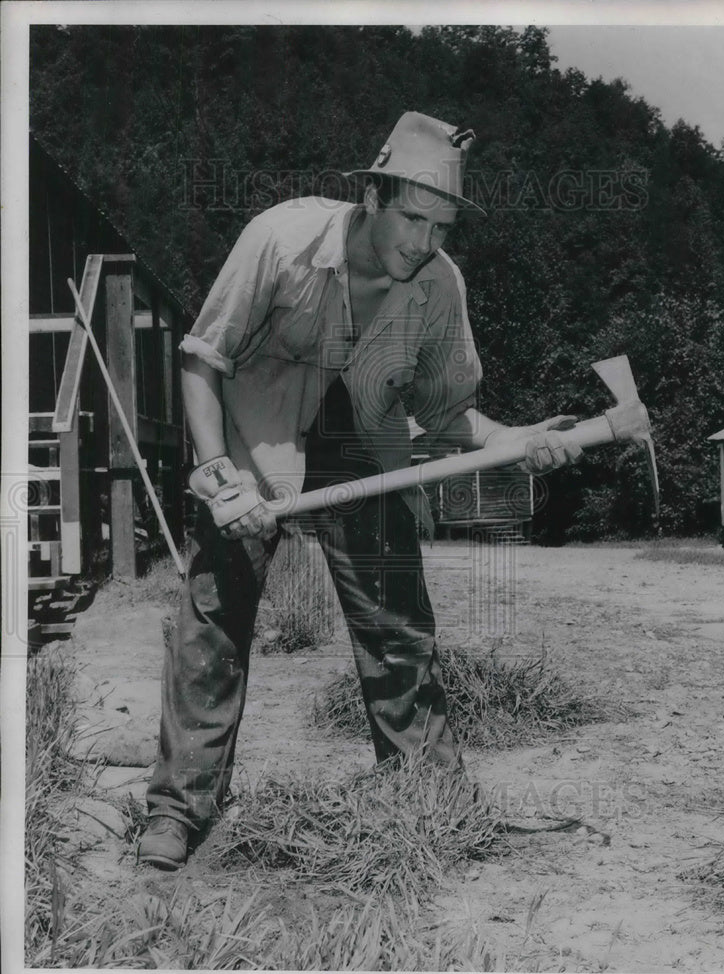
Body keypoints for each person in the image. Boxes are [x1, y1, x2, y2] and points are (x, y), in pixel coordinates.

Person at [138, 111, 583, 870]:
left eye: (441, 226)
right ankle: (180, 808)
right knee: (215, 613)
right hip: (255, 426)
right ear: (372, 197)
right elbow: (202, 360)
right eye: (412, 218)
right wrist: (217, 478)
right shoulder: (282, 241)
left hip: (362, 435)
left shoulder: (440, 288)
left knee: (397, 620)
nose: (424, 242)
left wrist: (514, 442)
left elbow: (447, 417)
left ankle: (428, 794)